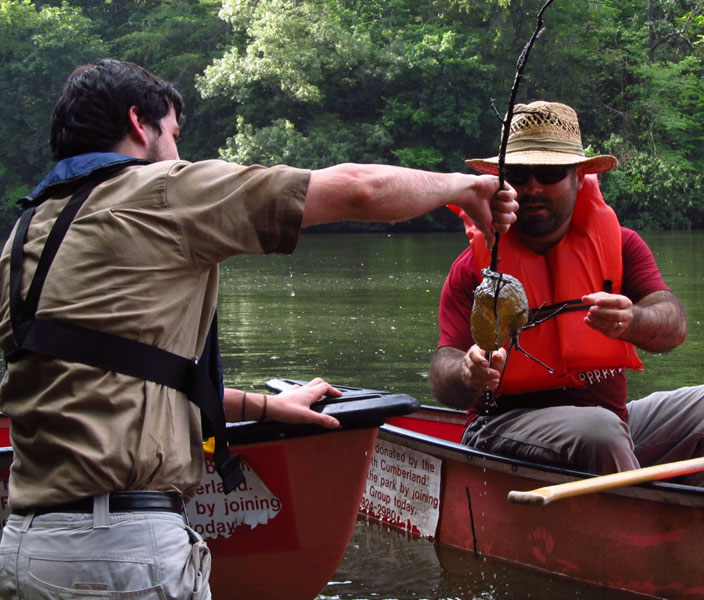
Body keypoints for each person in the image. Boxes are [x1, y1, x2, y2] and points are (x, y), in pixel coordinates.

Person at [0, 59, 518, 599]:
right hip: (119, 555)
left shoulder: (26, 235)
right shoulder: (160, 193)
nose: (177, 152)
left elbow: (117, 380)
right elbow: (359, 190)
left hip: (23, 547)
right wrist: (466, 188)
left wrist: (266, 408)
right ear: (138, 123)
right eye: (173, 134)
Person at [429, 100, 704, 494]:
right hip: (500, 430)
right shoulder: (475, 267)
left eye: (549, 173)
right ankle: (640, 525)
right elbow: (443, 371)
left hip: (609, 427)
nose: (533, 187)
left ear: (579, 177)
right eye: (518, 174)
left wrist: (633, 320)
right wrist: (467, 371)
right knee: (601, 431)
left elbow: (673, 326)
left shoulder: (623, 245)